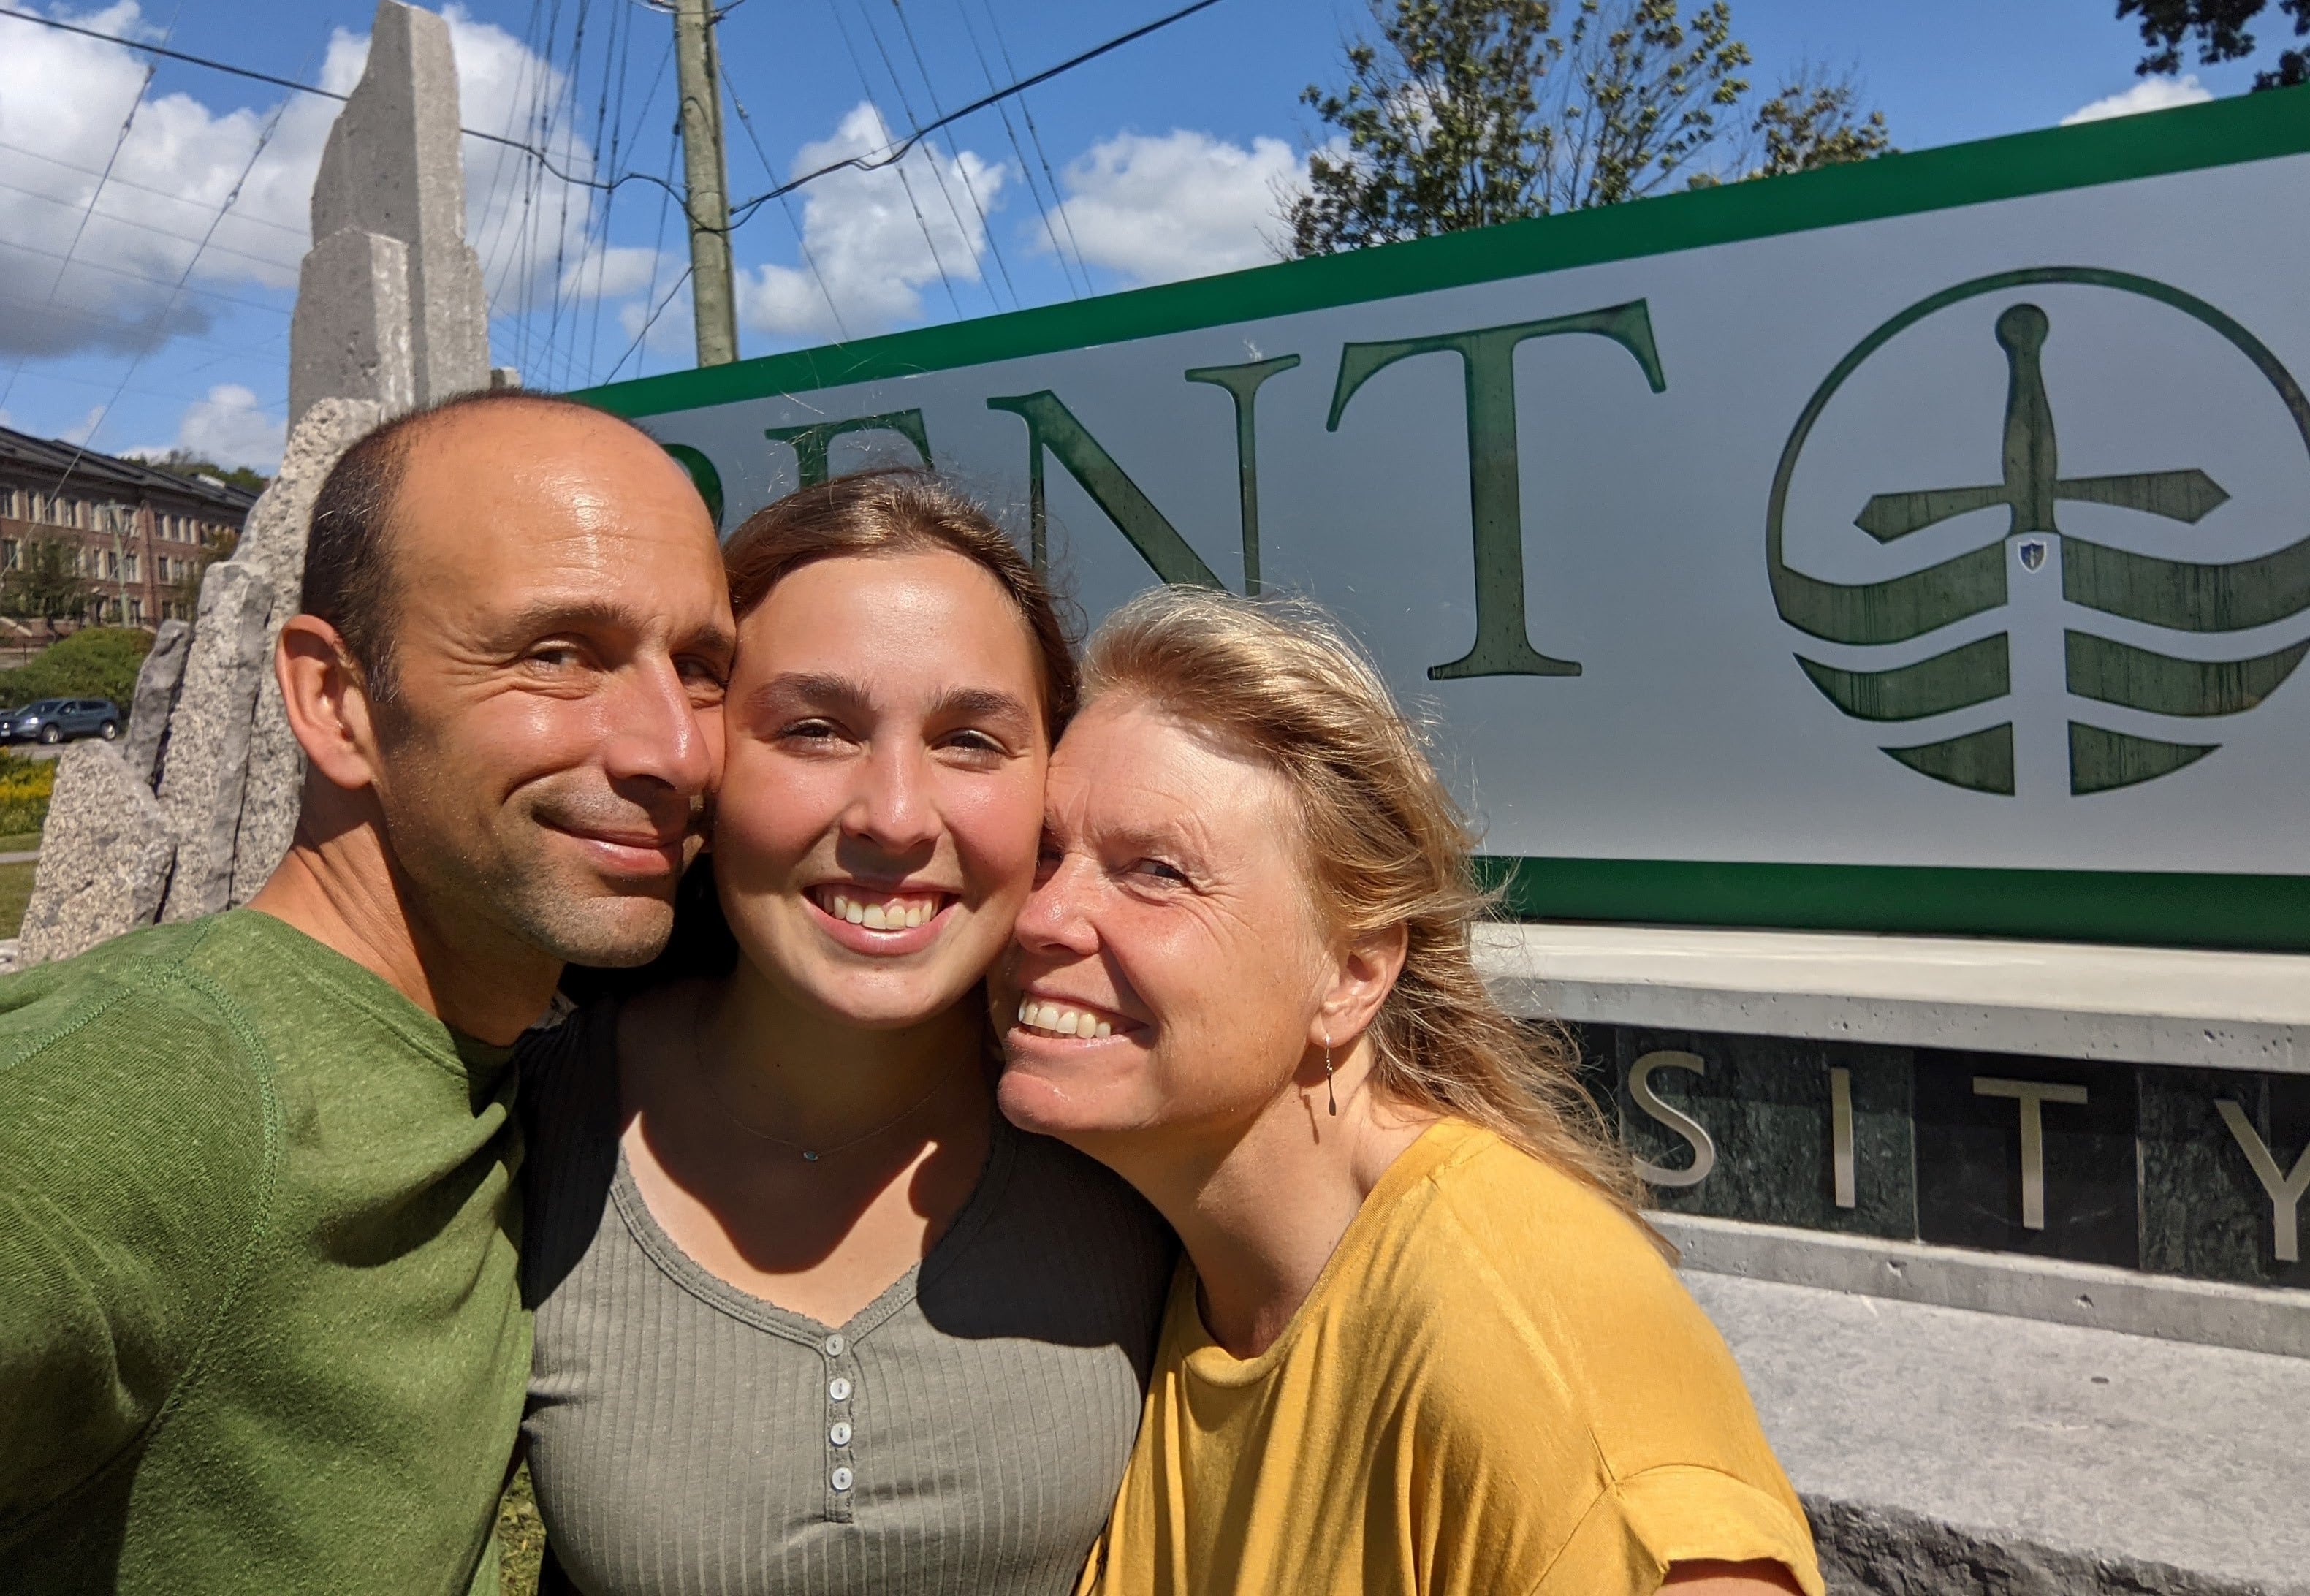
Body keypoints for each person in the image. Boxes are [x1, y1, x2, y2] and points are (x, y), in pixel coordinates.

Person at [0, 390, 735, 1595]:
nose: (676, 749)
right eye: (556, 654)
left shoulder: (489, 1066)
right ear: (336, 702)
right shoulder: (139, 1098)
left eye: (702, 667)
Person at [1000, 587, 1825, 1596]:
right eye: (1045, 854)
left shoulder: (1531, 1337)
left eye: (1156, 872)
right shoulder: (1188, 1273)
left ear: (1351, 973)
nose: (1043, 914)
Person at [518, 468, 1171, 1596]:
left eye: (970, 740)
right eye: (816, 730)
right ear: (706, 770)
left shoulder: (1143, 1130)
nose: (896, 817)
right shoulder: (515, 1139)